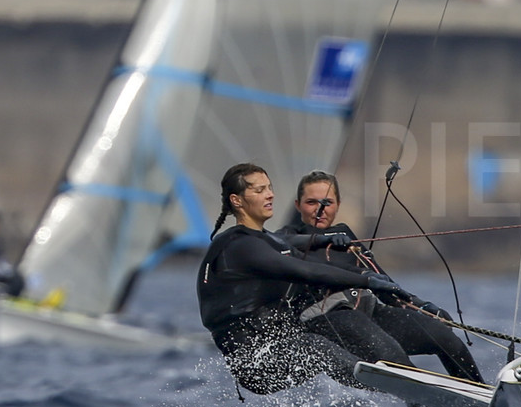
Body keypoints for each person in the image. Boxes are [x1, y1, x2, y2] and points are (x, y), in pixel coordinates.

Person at [197, 163, 415, 395]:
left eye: (269, 188)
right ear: (237, 200)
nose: (270, 194)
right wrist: (367, 282)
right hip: (255, 363)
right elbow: (305, 270)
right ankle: (399, 388)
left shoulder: (261, 240)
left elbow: (292, 246)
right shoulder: (240, 246)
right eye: (259, 190)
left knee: (343, 325)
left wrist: (336, 250)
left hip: (283, 342)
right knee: (317, 346)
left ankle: (410, 382)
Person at [282, 170, 484, 383]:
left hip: (369, 312)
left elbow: (382, 282)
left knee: (445, 339)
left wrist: (420, 305)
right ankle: (436, 406)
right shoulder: (284, 239)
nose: (320, 209)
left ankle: (488, 403)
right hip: (329, 321)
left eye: (327, 202)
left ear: (338, 204)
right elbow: (287, 248)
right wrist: (324, 239)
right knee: (395, 357)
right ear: (298, 205)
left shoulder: (344, 234)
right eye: (311, 202)